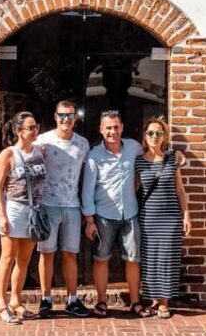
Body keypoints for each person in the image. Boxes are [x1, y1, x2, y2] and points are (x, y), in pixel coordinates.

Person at [81, 110, 185, 318]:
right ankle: (101, 301)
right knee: (101, 259)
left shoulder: (134, 148)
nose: (112, 131)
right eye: (108, 128)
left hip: (130, 214)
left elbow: (156, 148)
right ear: (101, 129)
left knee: (133, 259)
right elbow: (87, 191)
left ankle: (135, 302)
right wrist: (90, 221)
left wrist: (177, 152)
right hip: (104, 216)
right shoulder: (94, 156)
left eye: (116, 127)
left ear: (122, 127)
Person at [35, 100, 91, 318]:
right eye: (62, 115)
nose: (66, 119)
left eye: (70, 115)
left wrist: (86, 207)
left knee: (70, 254)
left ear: (76, 118)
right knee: (46, 254)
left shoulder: (83, 144)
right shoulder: (43, 141)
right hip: (48, 204)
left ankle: (72, 300)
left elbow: (85, 176)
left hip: (72, 206)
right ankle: (45, 299)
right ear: (55, 117)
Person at [135, 117, 191, 319]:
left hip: (170, 218)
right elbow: (134, 189)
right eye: (150, 133)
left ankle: (164, 303)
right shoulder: (138, 161)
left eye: (158, 133)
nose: (154, 136)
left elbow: (180, 190)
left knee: (167, 260)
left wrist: (186, 215)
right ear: (144, 136)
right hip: (148, 217)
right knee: (150, 260)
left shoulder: (172, 159)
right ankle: (153, 300)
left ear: (164, 137)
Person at [0, 111, 46, 325]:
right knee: (7, 258)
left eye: (36, 127)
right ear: (18, 131)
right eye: (30, 128)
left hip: (33, 211)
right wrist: (2, 215)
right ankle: (2, 304)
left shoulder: (40, 151)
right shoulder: (8, 154)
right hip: (14, 210)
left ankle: (16, 301)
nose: (35, 131)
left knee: (24, 260)